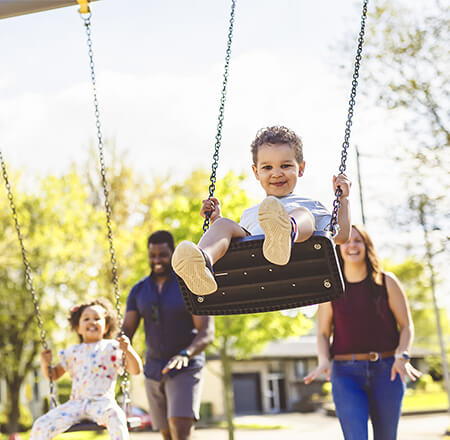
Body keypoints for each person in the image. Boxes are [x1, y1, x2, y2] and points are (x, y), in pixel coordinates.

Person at [172, 125, 352, 295]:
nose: (276, 173)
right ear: (256, 172)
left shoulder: (310, 205)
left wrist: (343, 199)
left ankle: (286, 232)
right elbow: (234, 244)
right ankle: (202, 263)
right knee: (224, 224)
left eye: (286, 166)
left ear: (301, 168)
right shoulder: (252, 213)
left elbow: (341, 235)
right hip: (255, 264)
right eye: (267, 167)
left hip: (297, 261)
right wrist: (215, 219)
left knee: (303, 214)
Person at [304, 224, 422, 440]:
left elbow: (406, 325)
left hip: (388, 370)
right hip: (346, 373)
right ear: (338, 248)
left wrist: (402, 355)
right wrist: (323, 361)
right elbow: (322, 333)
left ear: (367, 246)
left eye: (358, 240)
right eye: (346, 241)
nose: (352, 245)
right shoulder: (331, 288)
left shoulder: (387, 282)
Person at [122, 230, 215, 440]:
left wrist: (185, 354)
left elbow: (206, 332)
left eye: (162, 255)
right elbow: (127, 329)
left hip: (184, 366)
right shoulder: (139, 290)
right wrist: (116, 347)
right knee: (166, 435)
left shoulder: (190, 285)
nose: (157, 260)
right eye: (152, 255)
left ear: (173, 254)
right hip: (153, 369)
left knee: (181, 432)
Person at [30, 298, 143, 440]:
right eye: (86, 319)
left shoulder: (112, 347)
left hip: (102, 403)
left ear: (106, 326)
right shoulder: (72, 352)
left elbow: (135, 370)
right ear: (78, 327)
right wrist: (45, 363)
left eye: (97, 319)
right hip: (75, 404)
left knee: (116, 416)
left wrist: (128, 350)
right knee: (41, 424)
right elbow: (53, 374)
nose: (92, 322)